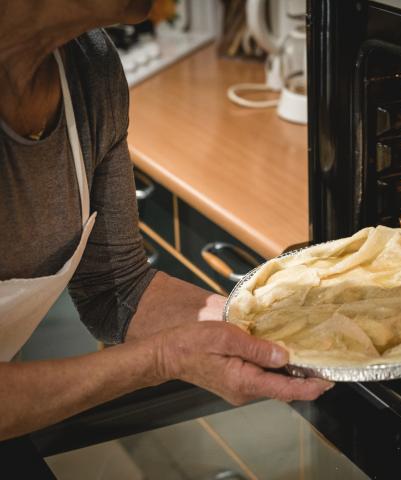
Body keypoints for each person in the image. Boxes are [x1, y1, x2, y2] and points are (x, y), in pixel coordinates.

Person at [0, 0, 331, 441]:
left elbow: (118, 287)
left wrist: (273, 332)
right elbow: (161, 349)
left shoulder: (89, 67)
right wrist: (163, 359)